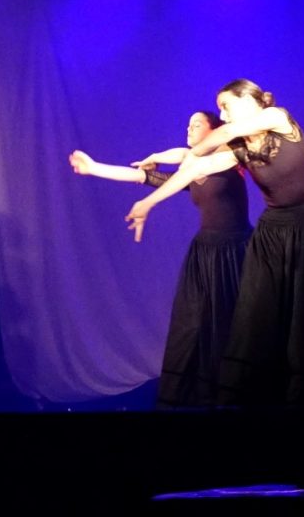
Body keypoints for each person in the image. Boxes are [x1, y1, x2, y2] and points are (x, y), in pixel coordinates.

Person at [124, 80, 304, 406]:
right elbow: (194, 169)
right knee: (259, 315)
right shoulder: (239, 149)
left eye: (226, 106)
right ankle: (261, 399)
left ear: (249, 99)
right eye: (220, 110)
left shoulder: (277, 117)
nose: (223, 115)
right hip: (273, 236)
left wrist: (191, 151)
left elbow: (218, 138)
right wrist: (148, 202)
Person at [69, 111, 251, 407]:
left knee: (231, 323)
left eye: (197, 124)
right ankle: (195, 394)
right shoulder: (190, 167)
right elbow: (142, 174)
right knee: (192, 323)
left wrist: (157, 160)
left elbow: (183, 155)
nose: (189, 128)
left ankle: (237, 392)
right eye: (187, 124)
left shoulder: (227, 157)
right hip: (206, 251)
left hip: (235, 252)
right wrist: (94, 168)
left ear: (214, 130)